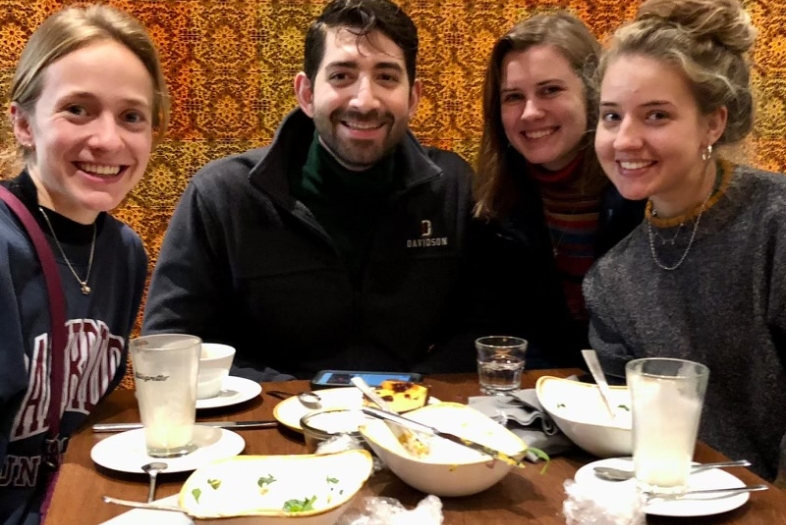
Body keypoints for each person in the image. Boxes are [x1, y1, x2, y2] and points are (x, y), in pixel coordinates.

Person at [142, 0, 475, 380]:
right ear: (306, 93)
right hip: (270, 422)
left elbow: (485, 329)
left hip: (413, 422)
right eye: (341, 76)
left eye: (386, 77)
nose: (364, 101)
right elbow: (174, 345)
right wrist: (306, 399)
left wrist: (405, 395)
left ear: (413, 98)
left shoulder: (453, 188)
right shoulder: (222, 195)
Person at [583, 0, 786, 480]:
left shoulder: (774, 223)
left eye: (655, 116)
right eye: (612, 116)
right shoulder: (612, 280)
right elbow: (620, 429)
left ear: (712, 123)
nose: (624, 140)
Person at [0, 4, 169, 524]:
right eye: (77, 109)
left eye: (131, 117)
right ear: (24, 122)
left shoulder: (124, 252)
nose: (109, 140)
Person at [472, 12, 644, 368]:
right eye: (513, 97)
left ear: (593, 93)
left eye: (550, 90)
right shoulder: (495, 204)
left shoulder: (642, 190)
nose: (530, 112)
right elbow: (506, 334)